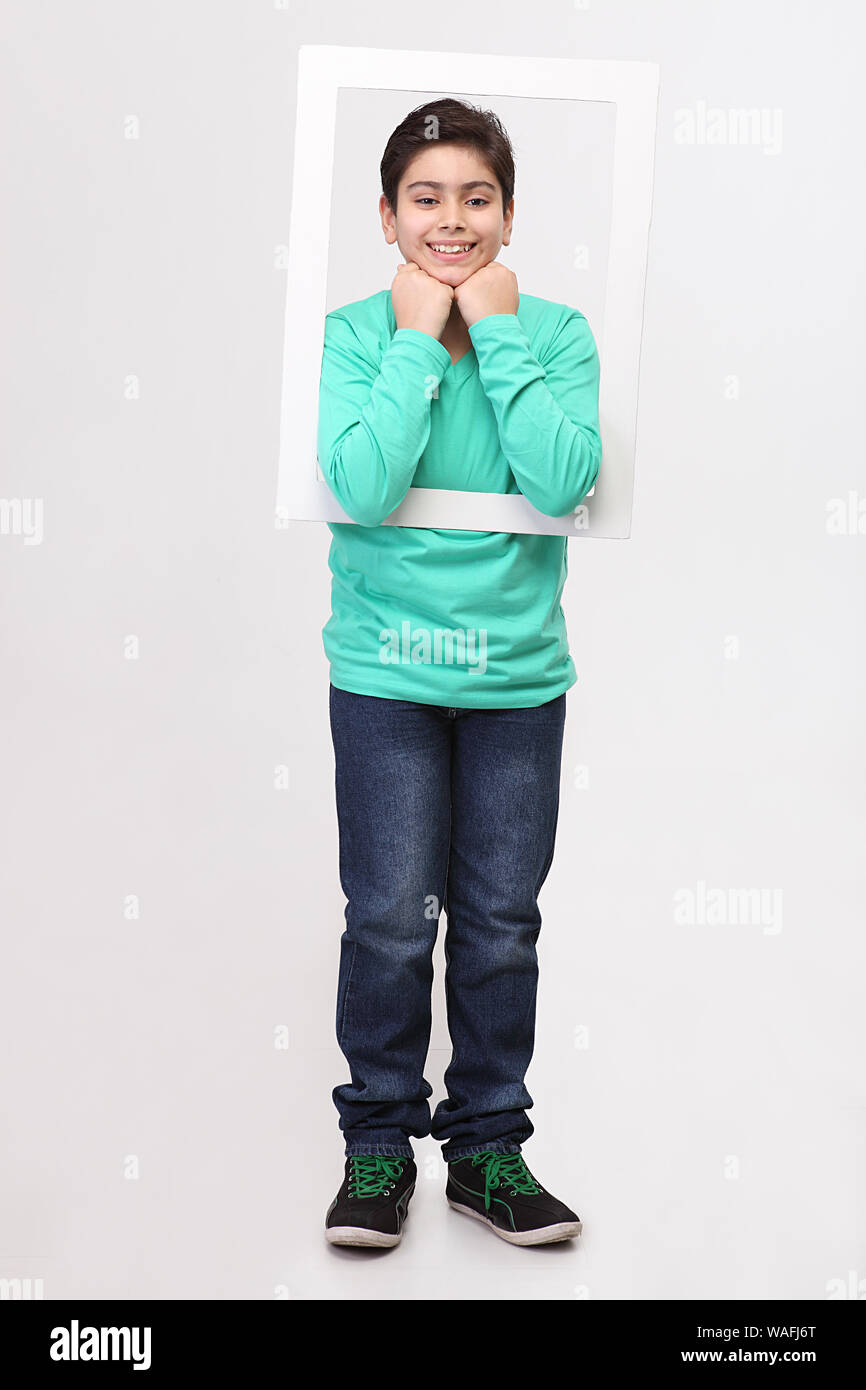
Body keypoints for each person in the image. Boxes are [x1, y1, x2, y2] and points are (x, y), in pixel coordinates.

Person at [317, 98, 602, 1248]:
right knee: (388, 917)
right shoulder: (349, 332)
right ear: (386, 216)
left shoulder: (557, 331)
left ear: (509, 213)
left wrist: (495, 332)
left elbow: (561, 480)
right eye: (425, 198)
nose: (451, 219)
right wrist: (406, 339)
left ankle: (488, 1151)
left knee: (497, 921)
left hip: (514, 680)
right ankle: (378, 1147)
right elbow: (364, 483)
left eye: (474, 198)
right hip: (383, 672)